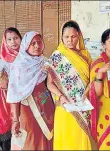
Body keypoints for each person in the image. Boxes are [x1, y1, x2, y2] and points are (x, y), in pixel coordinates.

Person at [45, 20, 97, 150]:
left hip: (83, 105)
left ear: (79, 36)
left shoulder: (86, 55)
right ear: (62, 38)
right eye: (66, 37)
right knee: (66, 140)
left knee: (82, 137)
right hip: (65, 107)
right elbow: (49, 84)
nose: (70, 40)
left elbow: (92, 79)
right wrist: (61, 96)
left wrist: (87, 92)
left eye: (73, 37)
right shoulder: (57, 56)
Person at [7, 31, 55, 150]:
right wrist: (15, 120)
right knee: (31, 140)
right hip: (29, 110)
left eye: (39, 42)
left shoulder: (45, 62)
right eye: (32, 43)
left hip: (47, 107)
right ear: (25, 46)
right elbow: (14, 95)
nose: (37, 46)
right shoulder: (18, 66)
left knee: (48, 138)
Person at [0, 27, 22, 136]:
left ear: (21, 39)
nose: (13, 42)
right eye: (9, 39)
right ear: (5, 41)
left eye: (16, 38)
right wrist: (2, 82)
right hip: (9, 97)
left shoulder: (27, 56)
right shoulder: (1, 59)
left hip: (26, 96)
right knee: (13, 126)